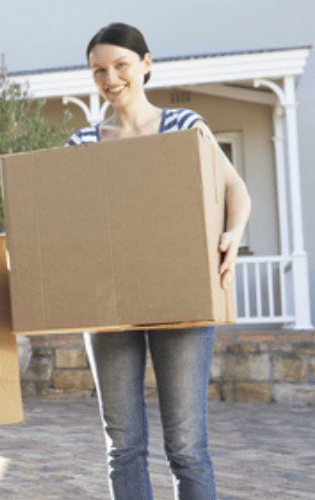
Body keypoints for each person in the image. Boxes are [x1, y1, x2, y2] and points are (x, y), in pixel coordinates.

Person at [66, 23, 251, 500]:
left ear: (145, 63)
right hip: (108, 306)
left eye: (121, 65)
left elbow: (234, 189)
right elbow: (67, 223)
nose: (111, 79)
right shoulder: (83, 144)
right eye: (99, 71)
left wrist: (232, 232)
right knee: (123, 445)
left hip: (181, 295)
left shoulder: (183, 127)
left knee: (187, 445)